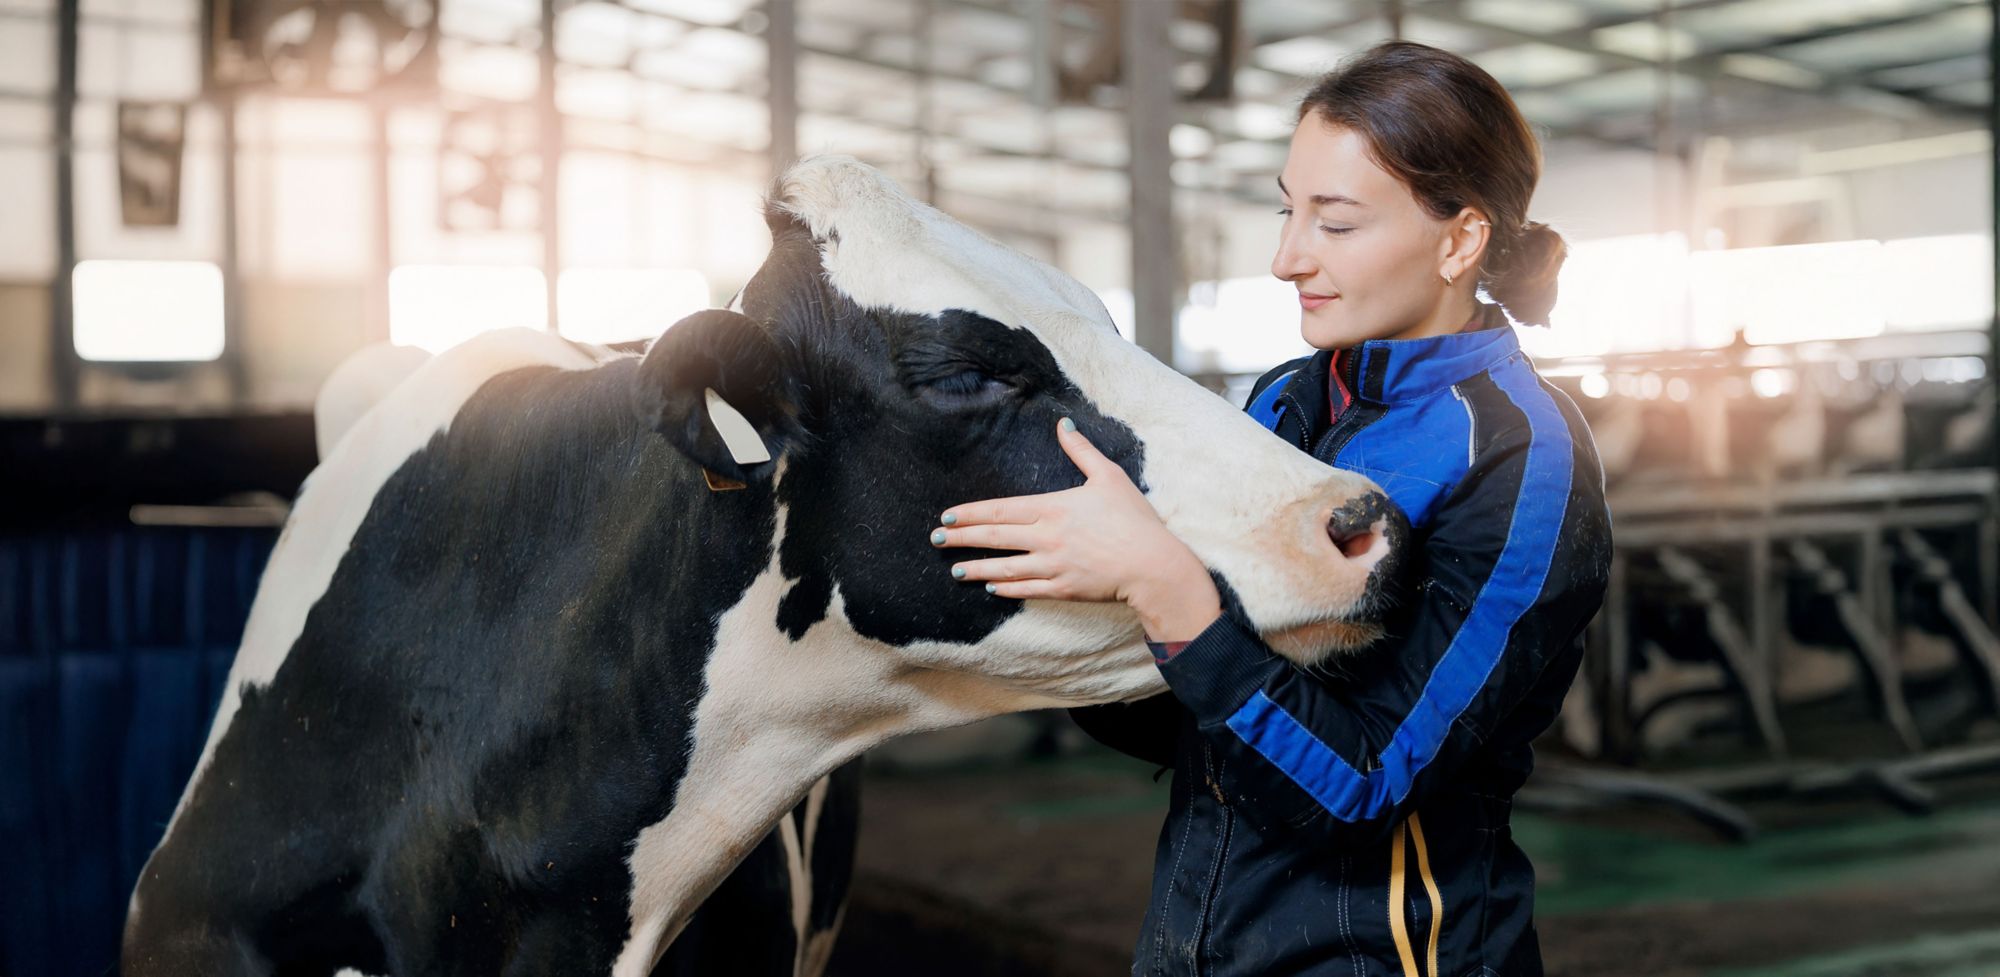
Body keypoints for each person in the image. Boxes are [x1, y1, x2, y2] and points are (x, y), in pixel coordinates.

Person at [928, 40, 1614, 977]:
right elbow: (1188, 712)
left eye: (1334, 224)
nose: (1288, 258)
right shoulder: (1283, 402)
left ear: (1461, 239)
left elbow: (1367, 781)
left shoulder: (1520, 457)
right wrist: (1064, 605)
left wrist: (1162, 584)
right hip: (1194, 939)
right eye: (1288, 212)